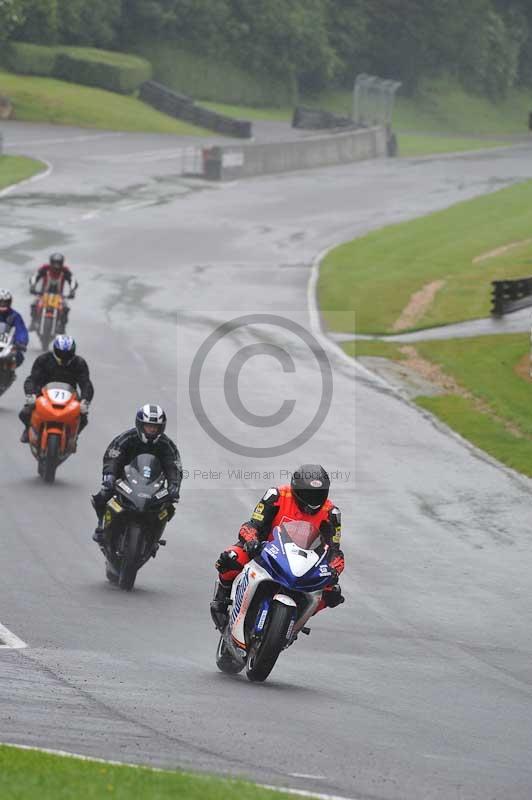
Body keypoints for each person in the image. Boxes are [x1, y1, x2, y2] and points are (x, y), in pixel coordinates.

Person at [210, 464, 345, 630]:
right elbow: (252, 525)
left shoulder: (331, 513)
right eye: (309, 493)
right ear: (296, 489)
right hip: (266, 552)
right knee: (231, 557)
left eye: (319, 494)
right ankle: (220, 600)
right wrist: (252, 541)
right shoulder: (277, 495)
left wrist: (334, 570)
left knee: (332, 593)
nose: (313, 499)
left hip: (304, 565)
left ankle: (294, 624)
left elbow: (335, 551)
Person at [92, 404, 183, 543]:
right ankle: (101, 525)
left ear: (161, 427)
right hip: (125, 481)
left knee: (169, 507)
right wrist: (110, 475)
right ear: (140, 425)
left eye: (156, 427)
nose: (152, 429)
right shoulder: (126, 438)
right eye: (148, 426)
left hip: (154, 485)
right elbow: (112, 457)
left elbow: (174, 466)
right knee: (103, 495)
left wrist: (174, 485)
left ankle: (153, 538)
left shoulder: (167, 445)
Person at [19, 335, 93, 442]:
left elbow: (86, 384)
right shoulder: (44, 359)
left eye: (67, 354)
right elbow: (32, 379)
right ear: (55, 349)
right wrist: (30, 394)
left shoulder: (79, 363)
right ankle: (28, 429)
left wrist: (85, 401)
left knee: (83, 418)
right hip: (43, 393)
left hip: (70, 396)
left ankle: (73, 436)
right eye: (61, 353)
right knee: (25, 413)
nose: (64, 357)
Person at [29, 253, 78, 332]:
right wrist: (32, 286)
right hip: (43, 294)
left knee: (66, 308)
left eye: (58, 264)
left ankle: (62, 326)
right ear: (51, 262)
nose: (56, 266)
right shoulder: (45, 268)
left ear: (62, 263)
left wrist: (72, 290)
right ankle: (33, 322)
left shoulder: (65, 271)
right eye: (54, 263)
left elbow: (72, 280)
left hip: (59, 296)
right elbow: (35, 276)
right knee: (34, 304)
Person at [0, 289, 28, 367]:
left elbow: (21, 330)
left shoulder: (15, 316)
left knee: (19, 356)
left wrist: (21, 342)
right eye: (0, 302)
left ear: (9, 302)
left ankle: (10, 371)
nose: (2, 304)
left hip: (8, 344)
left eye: (5, 302)